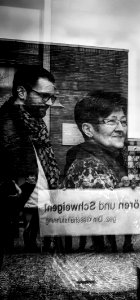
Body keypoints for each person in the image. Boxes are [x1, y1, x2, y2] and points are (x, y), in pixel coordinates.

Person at [0, 66, 61, 261]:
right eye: (44, 96)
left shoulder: (36, 123)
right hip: (15, 197)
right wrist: (7, 184)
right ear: (21, 92)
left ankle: (29, 238)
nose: (48, 102)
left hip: (36, 193)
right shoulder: (5, 121)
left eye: (51, 97)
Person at [61, 90, 132, 253]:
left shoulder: (112, 158)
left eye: (123, 122)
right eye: (111, 122)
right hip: (96, 256)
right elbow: (101, 214)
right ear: (88, 129)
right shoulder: (88, 166)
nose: (121, 129)